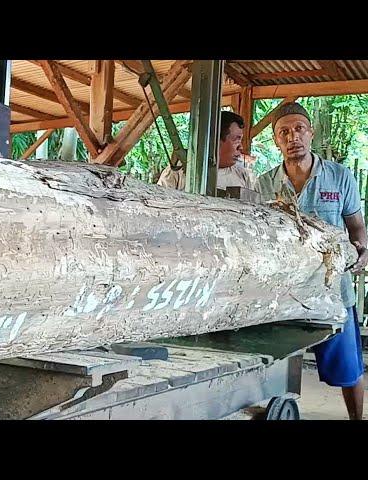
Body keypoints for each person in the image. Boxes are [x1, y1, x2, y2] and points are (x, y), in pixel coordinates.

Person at [256, 101, 368, 420]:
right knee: (276, 365)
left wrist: (362, 249)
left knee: (348, 369)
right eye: (284, 132)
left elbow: (357, 226)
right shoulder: (264, 183)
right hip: (285, 292)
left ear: (311, 133)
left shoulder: (339, 177)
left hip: (333, 290)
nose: (293, 137)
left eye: (299, 129)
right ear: (277, 141)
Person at [157, 110, 256, 191]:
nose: (241, 147)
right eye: (236, 140)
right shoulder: (179, 170)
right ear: (216, 141)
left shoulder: (243, 176)